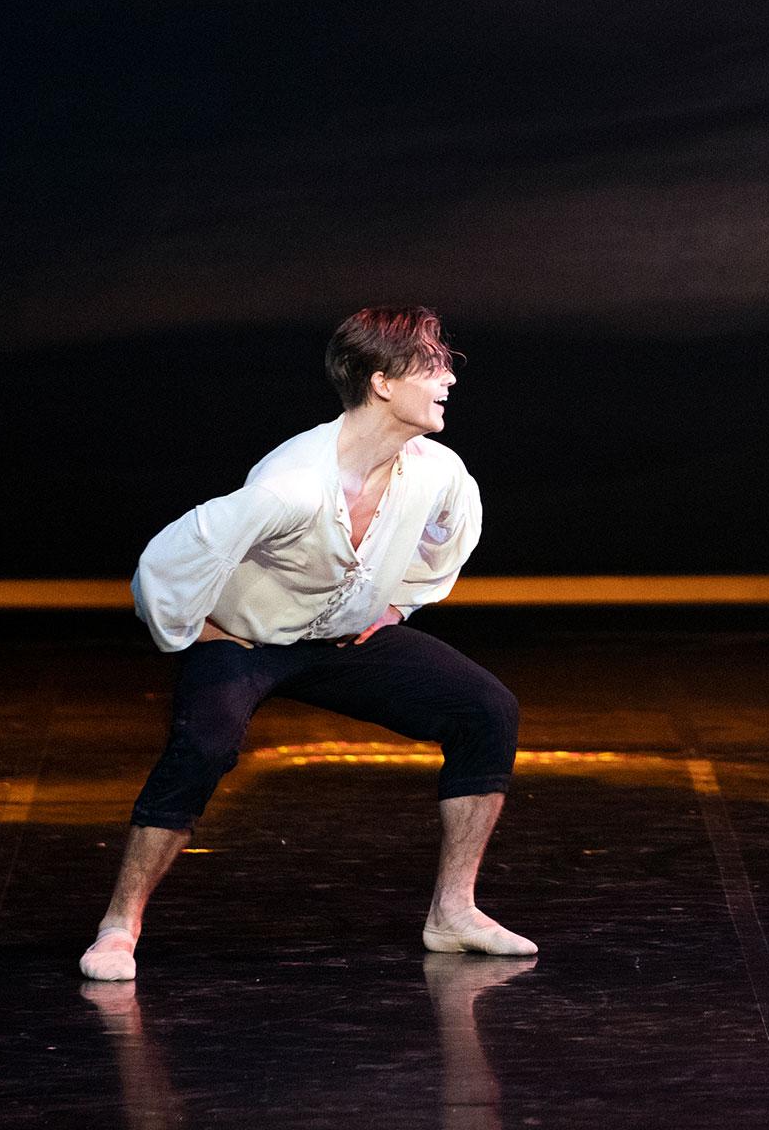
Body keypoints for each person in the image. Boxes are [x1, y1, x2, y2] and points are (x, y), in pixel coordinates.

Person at [80, 307, 532, 981]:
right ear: (382, 382)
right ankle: (121, 925)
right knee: (205, 745)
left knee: (487, 710)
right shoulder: (292, 486)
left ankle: (453, 912)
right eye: (433, 368)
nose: (448, 382)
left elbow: (452, 535)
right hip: (249, 642)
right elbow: (171, 560)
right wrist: (192, 631)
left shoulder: (436, 470)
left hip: (343, 638)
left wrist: (397, 604)